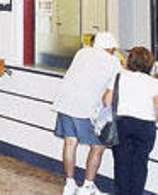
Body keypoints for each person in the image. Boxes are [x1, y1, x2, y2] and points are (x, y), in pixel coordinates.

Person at [53, 32, 122, 195]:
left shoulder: (82, 53)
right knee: (98, 146)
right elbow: (108, 98)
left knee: (70, 143)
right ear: (111, 48)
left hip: (65, 103)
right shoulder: (114, 62)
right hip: (86, 109)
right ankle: (88, 186)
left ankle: (69, 184)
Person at [108, 47, 158, 195]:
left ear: (129, 60)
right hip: (145, 125)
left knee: (122, 163)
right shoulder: (153, 82)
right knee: (140, 164)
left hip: (123, 124)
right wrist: (155, 118)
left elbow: (107, 100)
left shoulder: (119, 77)